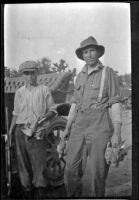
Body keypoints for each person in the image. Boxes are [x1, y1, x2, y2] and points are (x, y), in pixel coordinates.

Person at [61, 36, 122, 197]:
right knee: (70, 171)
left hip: (100, 124)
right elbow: (74, 103)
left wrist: (117, 132)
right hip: (79, 124)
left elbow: (115, 101)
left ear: (98, 52)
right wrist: (67, 128)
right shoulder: (79, 77)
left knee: (97, 175)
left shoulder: (107, 73)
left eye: (92, 50)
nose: (89, 55)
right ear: (82, 55)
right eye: (85, 52)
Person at [8, 60, 57, 198]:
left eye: (32, 73)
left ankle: (40, 191)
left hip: (38, 131)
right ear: (23, 75)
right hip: (20, 131)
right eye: (26, 73)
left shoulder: (44, 90)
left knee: (39, 164)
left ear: (37, 73)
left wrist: (43, 119)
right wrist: (11, 132)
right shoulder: (19, 92)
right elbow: (15, 114)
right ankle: (27, 190)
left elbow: (53, 110)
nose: (30, 76)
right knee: (23, 164)